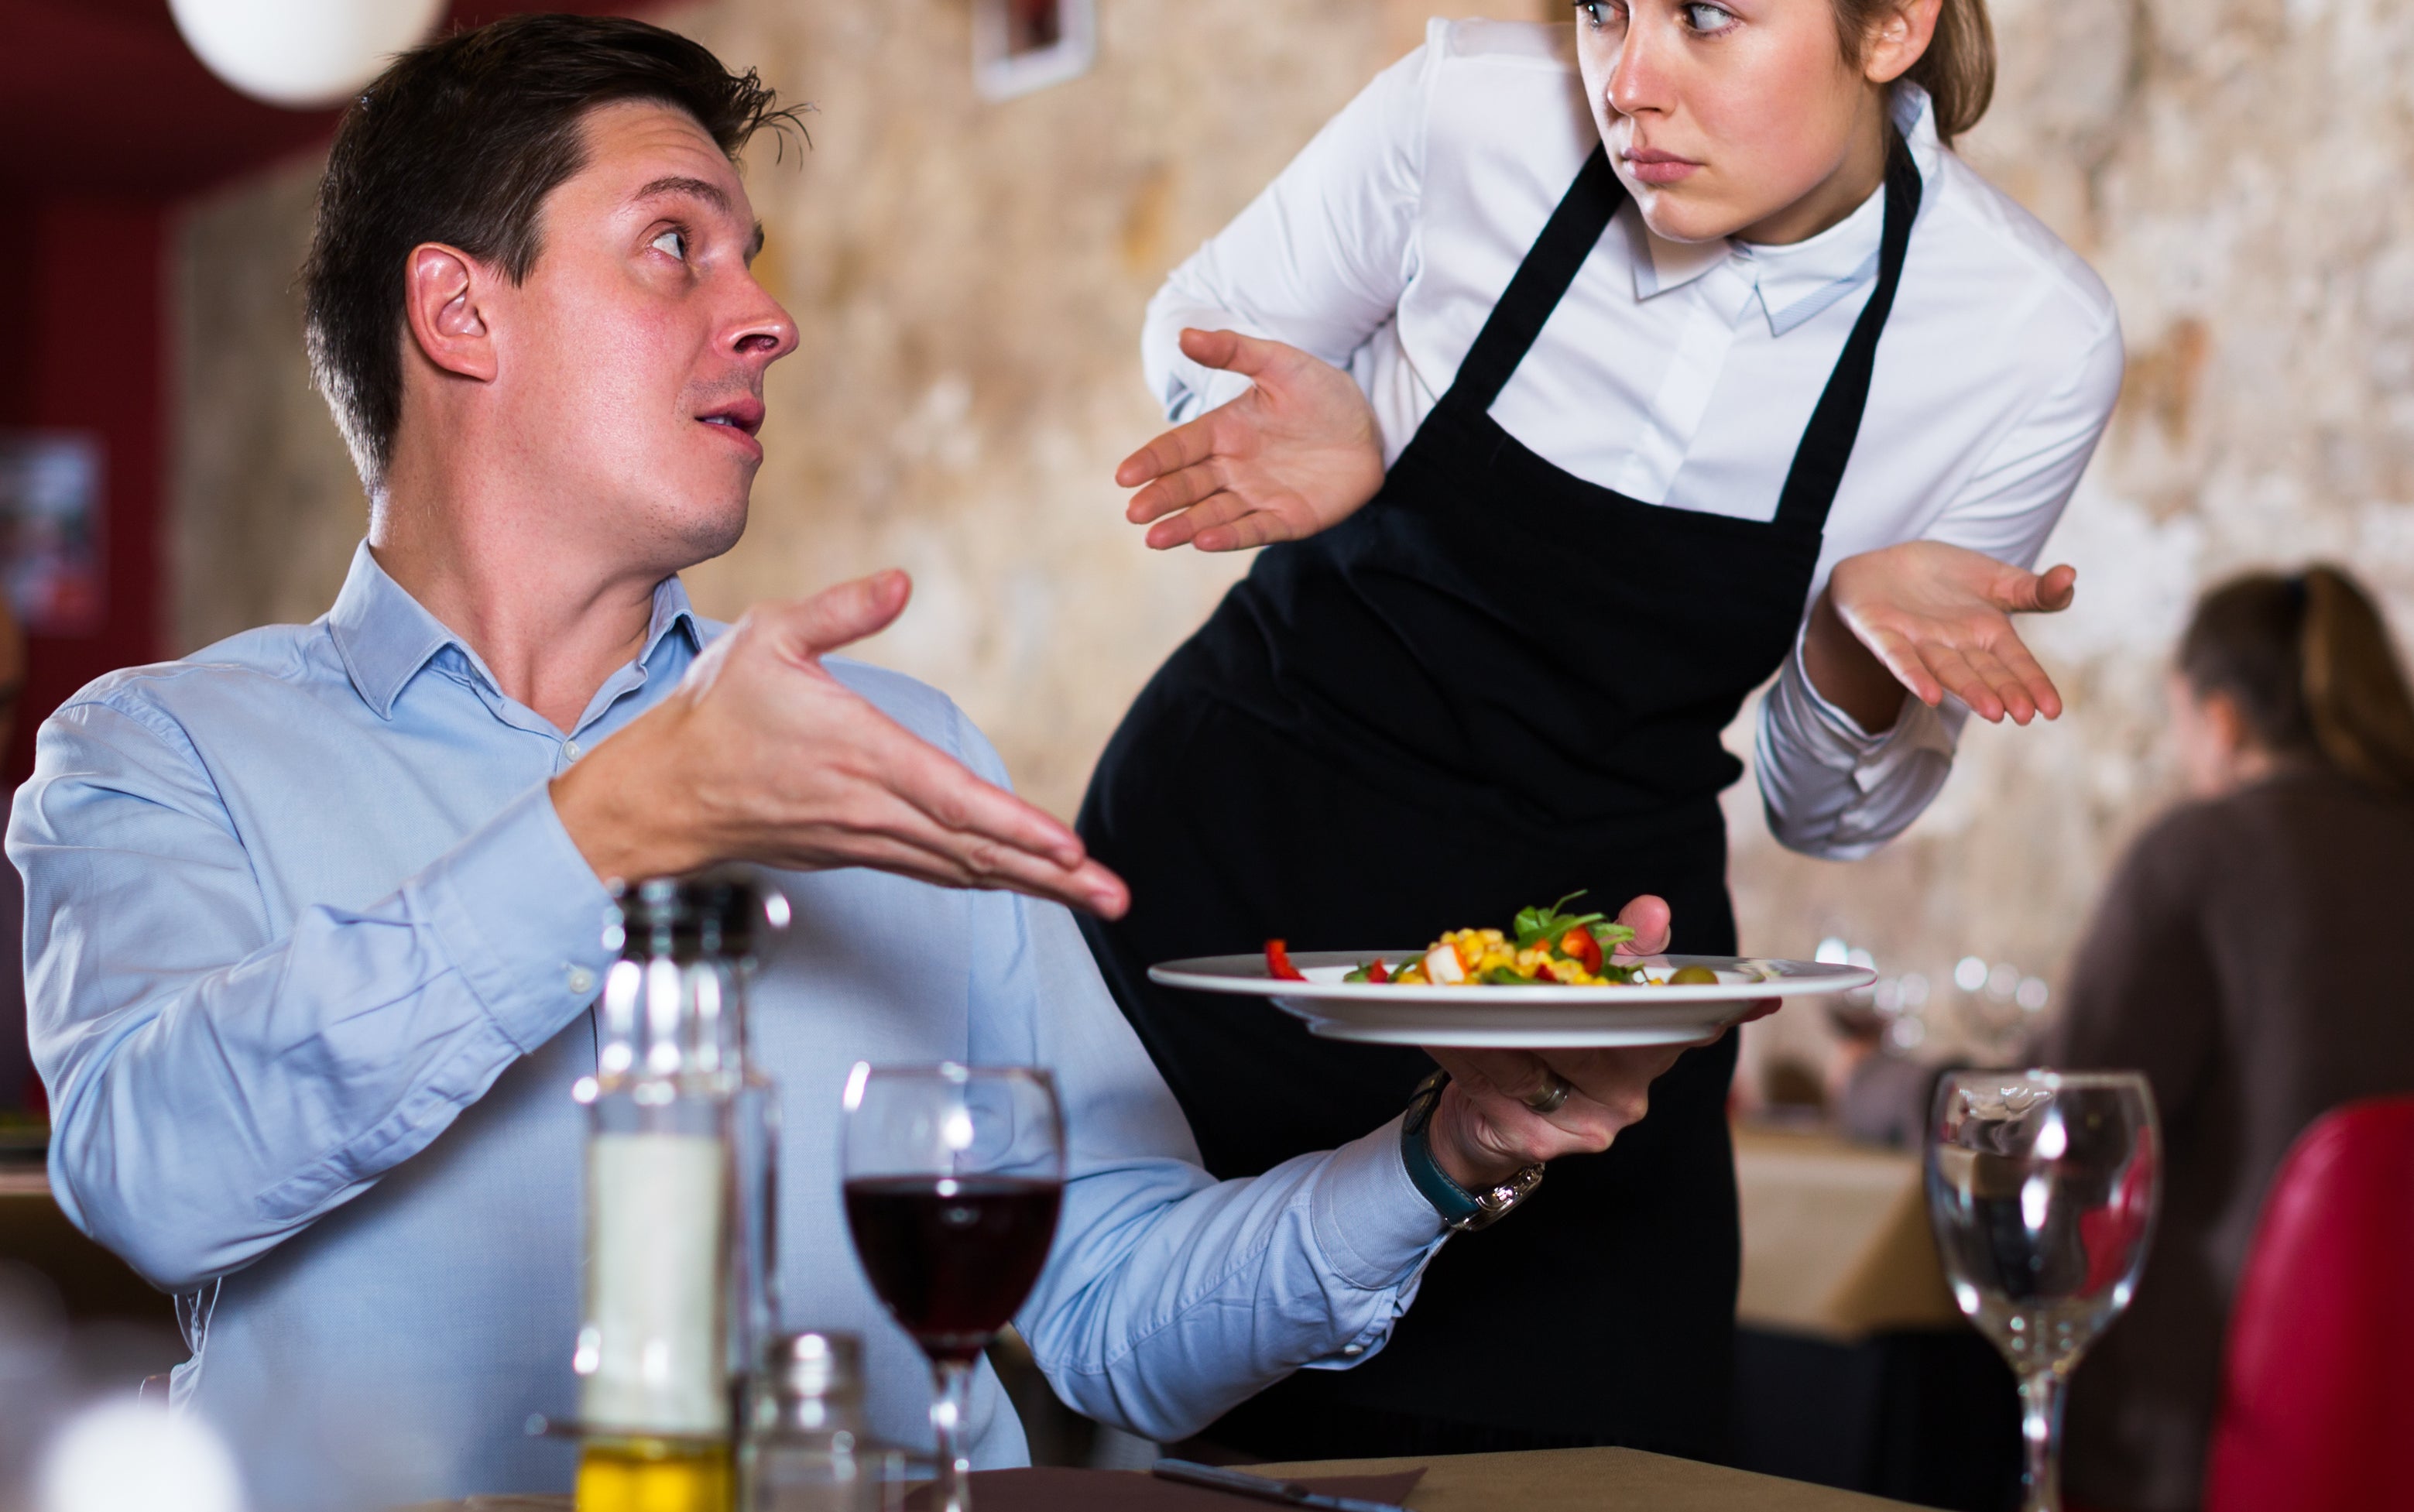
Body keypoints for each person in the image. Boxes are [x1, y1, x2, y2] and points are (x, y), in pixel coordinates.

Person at [6, 19, 1710, 1510]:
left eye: (751, 257)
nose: (769, 318)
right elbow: (159, 1178)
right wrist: (612, 825)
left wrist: (1441, 1150)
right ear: (461, 311)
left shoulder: (908, 756)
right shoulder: (154, 752)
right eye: (676, 247)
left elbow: (1116, 1310)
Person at [1076, 0, 2124, 1459]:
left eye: (1704, 16)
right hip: (1232, 906)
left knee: (1614, 1455)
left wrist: (1843, 644)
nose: (1628, 81)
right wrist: (1329, 427)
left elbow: (1825, 814)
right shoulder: (1467, 112)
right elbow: (1192, 331)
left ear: (1888, 26)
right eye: (1602, 9)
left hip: (1588, 999)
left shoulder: (2018, 342)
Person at [2039, 567, 2414, 1512]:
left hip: (2213, 1427)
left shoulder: (2201, 854)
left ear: (2221, 720)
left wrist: (1877, 1084)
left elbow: (2064, 1119)